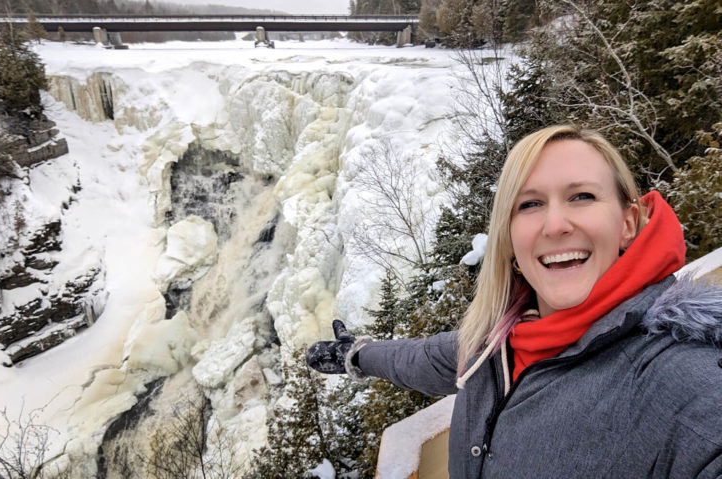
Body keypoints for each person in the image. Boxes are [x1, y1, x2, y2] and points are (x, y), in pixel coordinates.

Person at [306, 125, 722, 478]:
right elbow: (424, 359)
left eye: (582, 197)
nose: (556, 225)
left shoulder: (677, 380)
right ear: (509, 234)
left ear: (628, 223)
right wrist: (357, 355)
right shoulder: (501, 342)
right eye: (530, 204)